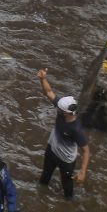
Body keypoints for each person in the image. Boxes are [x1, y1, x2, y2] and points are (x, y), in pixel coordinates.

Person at [37, 68, 91, 199]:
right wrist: (43, 79)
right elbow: (49, 92)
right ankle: (40, 194)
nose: (57, 109)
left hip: (66, 160)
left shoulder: (76, 130)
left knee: (67, 184)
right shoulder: (63, 109)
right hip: (52, 150)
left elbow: (86, 151)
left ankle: (68, 202)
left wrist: (83, 172)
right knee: (45, 176)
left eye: (60, 109)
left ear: (68, 112)